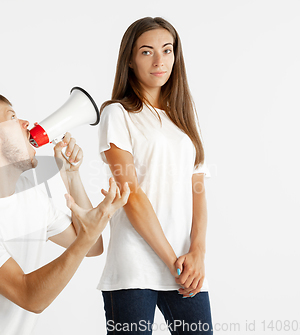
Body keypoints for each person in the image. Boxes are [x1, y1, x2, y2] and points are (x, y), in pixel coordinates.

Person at [0, 92, 129, 335]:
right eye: (12, 116)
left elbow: (91, 247)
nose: (26, 124)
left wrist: (70, 175)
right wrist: (88, 234)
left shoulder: (30, 195)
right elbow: (30, 297)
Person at [97, 17, 213, 334]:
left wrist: (198, 254)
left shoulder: (185, 117)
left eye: (167, 50)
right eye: (147, 52)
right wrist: (172, 260)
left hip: (187, 266)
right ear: (130, 61)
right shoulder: (117, 114)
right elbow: (131, 194)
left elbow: (198, 189)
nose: (160, 60)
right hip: (135, 265)